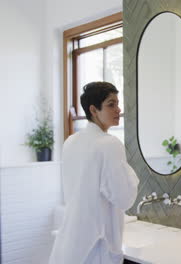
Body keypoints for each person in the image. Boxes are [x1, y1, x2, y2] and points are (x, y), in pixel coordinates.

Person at [49, 82, 139, 264]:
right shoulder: (109, 144)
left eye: (118, 103)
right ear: (93, 110)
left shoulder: (70, 142)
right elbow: (124, 198)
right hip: (96, 249)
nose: (118, 109)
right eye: (111, 104)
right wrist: (130, 175)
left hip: (68, 246)